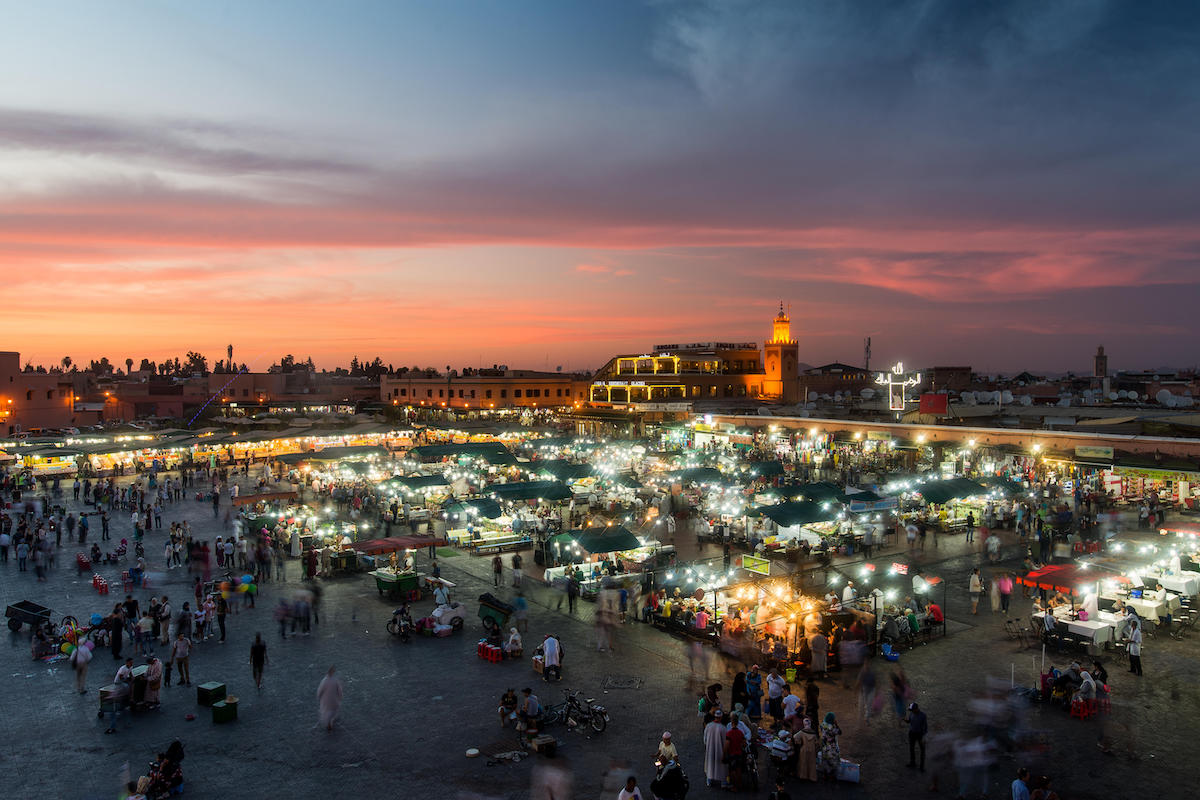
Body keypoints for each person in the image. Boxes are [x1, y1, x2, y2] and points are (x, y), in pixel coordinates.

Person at [702, 710, 728, 787]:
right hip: (720, 750)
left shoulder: (708, 726)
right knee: (721, 766)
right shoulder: (723, 728)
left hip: (710, 749)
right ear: (721, 717)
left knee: (710, 765)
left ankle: (709, 781)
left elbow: (705, 739)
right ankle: (723, 782)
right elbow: (725, 741)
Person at [817, 712, 842, 781]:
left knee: (825, 759)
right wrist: (836, 724)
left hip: (824, 745)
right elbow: (839, 732)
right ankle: (831, 776)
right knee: (833, 760)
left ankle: (825, 775)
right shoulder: (832, 727)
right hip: (832, 746)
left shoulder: (823, 724)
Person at [317, 665, 343, 731]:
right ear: (333, 672)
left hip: (326, 701)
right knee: (334, 711)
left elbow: (319, 691)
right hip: (334, 700)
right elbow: (340, 691)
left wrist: (319, 697)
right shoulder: (335, 680)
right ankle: (331, 721)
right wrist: (340, 697)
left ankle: (329, 723)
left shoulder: (324, 681)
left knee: (326, 712)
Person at [794, 716, 818, 781]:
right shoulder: (813, 733)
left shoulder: (802, 732)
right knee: (811, 764)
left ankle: (803, 776)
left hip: (804, 749)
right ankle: (812, 777)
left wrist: (799, 743)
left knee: (803, 763)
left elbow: (795, 737)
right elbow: (816, 742)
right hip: (812, 750)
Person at [907, 702, 928, 771]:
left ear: (916, 709)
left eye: (912, 710)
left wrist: (924, 736)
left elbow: (925, 726)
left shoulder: (923, 716)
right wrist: (905, 720)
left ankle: (922, 767)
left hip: (920, 734)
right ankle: (912, 762)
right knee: (911, 748)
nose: (911, 711)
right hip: (912, 733)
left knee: (922, 750)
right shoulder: (911, 713)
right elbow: (910, 721)